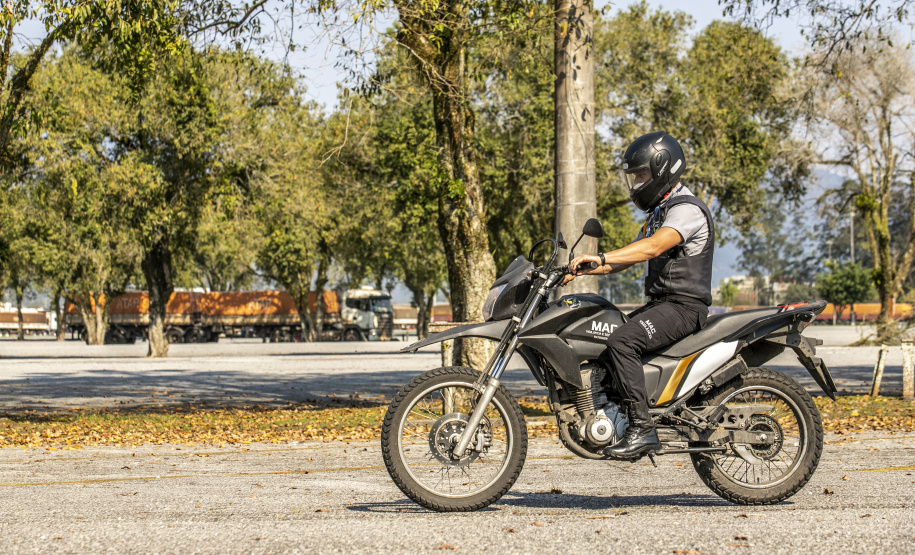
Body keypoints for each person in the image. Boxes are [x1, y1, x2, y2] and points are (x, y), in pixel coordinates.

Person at [564, 131, 715, 459]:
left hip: (684, 307)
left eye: (642, 175)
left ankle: (643, 429)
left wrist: (603, 259)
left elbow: (653, 248)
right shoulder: (660, 212)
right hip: (663, 305)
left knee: (622, 342)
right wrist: (582, 269)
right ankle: (613, 418)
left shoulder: (685, 210)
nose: (636, 184)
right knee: (604, 343)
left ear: (662, 169)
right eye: (634, 177)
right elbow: (631, 255)